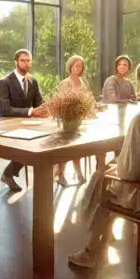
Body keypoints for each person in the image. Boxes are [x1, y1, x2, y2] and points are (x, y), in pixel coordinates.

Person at [67, 57, 140, 269]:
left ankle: (91, 251)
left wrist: (113, 169)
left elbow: (129, 172)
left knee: (102, 181)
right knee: (107, 175)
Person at [0, 49, 48, 192]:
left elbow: (39, 103)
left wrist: (46, 108)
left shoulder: (33, 81)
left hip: (28, 125)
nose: (26, 63)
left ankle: (42, 179)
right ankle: (9, 174)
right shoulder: (4, 82)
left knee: (45, 139)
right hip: (8, 125)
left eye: (28, 61)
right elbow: (5, 110)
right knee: (31, 144)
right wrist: (31, 111)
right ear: (16, 62)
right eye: (23, 60)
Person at [56, 55, 91, 186]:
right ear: (70, 66)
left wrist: (90, 110)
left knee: (78, 146)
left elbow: (89, 98)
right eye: (76, 65)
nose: (78, 68)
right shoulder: (64, 83)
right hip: (68, 119)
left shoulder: (84, 82)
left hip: (82, 119)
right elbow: (62, 103)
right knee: (67, 147)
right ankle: (61, 174)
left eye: (80, 66)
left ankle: (78, 172)